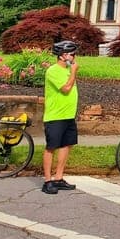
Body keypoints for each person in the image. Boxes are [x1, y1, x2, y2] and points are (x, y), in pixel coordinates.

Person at [42, 40, 80, 194]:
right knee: (51, 147)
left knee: (66, 145)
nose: (75, 56)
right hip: (55, 116)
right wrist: (74, 72)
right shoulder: (53, 71)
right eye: (72, 54)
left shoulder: (68, 70)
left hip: (68, 115)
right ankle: (47, 181)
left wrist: (72, 71)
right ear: (64, 55)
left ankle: (58, 177)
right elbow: (65, 89)